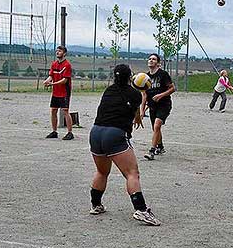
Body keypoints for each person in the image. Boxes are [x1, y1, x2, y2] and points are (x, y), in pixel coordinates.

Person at [88, 64, 160, 226]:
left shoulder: (109, 90)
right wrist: (141, 90)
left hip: (96, 132)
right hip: (113, 135)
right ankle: (141, 210)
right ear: (130, 78)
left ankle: (96, 205)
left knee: (101, 171)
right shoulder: (135, 94)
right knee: (132, 173)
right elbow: (137, 109)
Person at [141, 53, 175, 161]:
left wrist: (161, 95)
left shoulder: (163, 74)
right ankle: (160, 147)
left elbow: (172, 88)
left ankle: (152, 151)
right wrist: (142, 110)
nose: (151, 60)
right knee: (156, 129)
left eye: (154, 59)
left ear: (158, 63)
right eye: (150, 59)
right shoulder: (145, 78)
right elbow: (145, 95)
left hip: (164, 105)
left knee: (156, 126)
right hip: (152, 106)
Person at [43, 45, 74, 140]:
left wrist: (52, 84)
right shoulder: (54, 64)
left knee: (65, 111)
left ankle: (70, 133)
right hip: (55, 92)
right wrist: (47, 81)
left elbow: (65, 80)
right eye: (57, 51)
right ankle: (54, 131)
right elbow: (51, 76)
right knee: (53, 110)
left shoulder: (67, 65)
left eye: (60, 51)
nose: (57, 52)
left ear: (64, 53)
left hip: (64, 92)